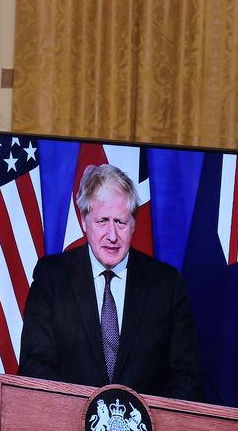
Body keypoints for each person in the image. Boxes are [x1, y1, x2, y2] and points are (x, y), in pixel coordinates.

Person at [19, 163, 202, 400]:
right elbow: (35, 365)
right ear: (85, 222)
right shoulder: (52, 277)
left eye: (120, 222)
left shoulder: (167, 285)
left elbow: (185, 375)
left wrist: (140, 423)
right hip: (67, 428)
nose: (112, 236)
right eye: (102, 221)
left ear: (133, 224)